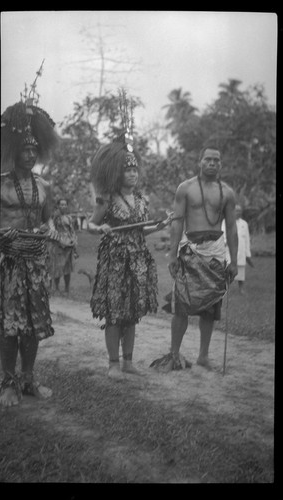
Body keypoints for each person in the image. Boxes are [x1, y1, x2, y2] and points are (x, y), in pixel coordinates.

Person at [87, 90, 170, 380]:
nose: (133, 175)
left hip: (137, 260)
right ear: (118, 174)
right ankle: (112, 364)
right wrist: (102, 228)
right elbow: (90, 226)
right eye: (127, 171)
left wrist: (157, 227)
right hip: (114, 261)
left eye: (135, 170)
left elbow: (141, 229)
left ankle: (128, 361)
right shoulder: (107, 199)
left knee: (132, 312)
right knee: (115, 312)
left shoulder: (142, 201)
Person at [0, 68, 60, 406]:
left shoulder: (45, 185)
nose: (30, 153)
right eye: (24, 148)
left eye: (35, 148)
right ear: (14, 149)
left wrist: (49, 229)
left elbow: (49, 219)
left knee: (34, 324)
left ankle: (27, 379)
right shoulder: (1, 182)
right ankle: (7, 382)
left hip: (35, 262)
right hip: (8, 262)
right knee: (10, 324)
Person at [151, 145, 238, 372]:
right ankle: (174, 353)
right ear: (200, 161)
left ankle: (203, 356)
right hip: (189, 253)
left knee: (209, 307)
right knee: (181, 305)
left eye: (216, 161)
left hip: (216, 256)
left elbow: (231, 228)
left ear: (220, 164)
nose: (212, 163)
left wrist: (234, 261)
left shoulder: (227, 192)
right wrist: (172, 255)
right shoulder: (186, 188)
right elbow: (178, 222)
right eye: (208, 159)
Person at [222, 204, 254, 294]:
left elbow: (247, 239)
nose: (238, 212)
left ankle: (241, 289)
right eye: (236, 210)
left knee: (241, 271)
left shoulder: (244, 224)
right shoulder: (226, 221)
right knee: (227, 270)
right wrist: (224, 242)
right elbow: (223, 234)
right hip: (229, 250)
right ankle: (224, 289)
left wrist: (248, 254)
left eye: (240, 211)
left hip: (241, 251)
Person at [49, 198, 78, 296]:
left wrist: (74, 240)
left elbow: (72, 231)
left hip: (68, 244)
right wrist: (58, 240)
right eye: (61, 204)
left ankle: (66, 289)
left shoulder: (69, 217)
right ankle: (56, 288)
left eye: (65, 204)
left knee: (67, 268)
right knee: (58, 266)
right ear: (58, 206)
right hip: (58, 243)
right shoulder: (55, 217)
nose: (63, 206)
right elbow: (51, 229)